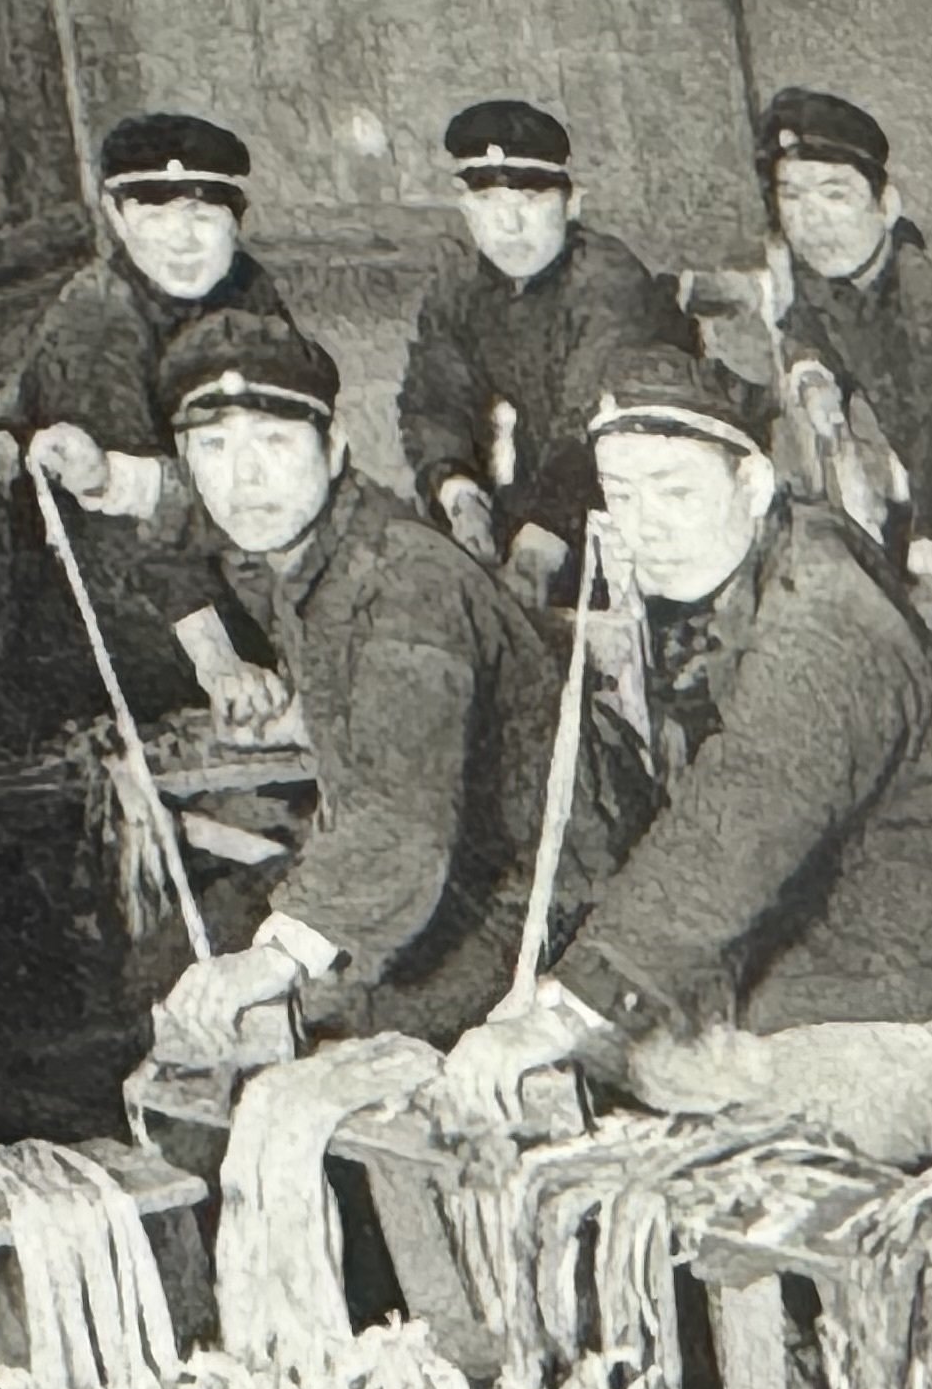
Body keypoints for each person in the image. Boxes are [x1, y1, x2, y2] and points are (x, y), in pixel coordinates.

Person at [435, 349, 932, 1166]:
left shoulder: (820, 623)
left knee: (698, 1175)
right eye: (621, 494)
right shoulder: (786, 546)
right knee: (585, 1076)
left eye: (676, 491)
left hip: (924, 1021)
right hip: (820, 986)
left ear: (751, 482)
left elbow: (734, 826)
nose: (645, 525)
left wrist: (563, 1011)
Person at [141, 315, 629, 1065]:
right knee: (165, 964)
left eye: (275, 442)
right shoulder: (312, 554)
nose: (244, 479)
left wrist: (279, 956)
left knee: (306, 1042)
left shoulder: (404, 585)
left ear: (334, 448)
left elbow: (403, 821)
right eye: (214, 449)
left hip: (528, 907)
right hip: (432, 880)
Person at [744, 88, 932, 720]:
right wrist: (811, 375)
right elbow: (806, 322)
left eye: (834, 195)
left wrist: (930, 571)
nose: (812, 220)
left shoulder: (930, 287)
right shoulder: (838, 276)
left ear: (887, 204)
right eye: (792, 197)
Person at [0, 111, 296, 716]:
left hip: (222, 545)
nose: (182, 239)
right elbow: (121, 529)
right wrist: (219, 662)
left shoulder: (246, 288)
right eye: (155, 215)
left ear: (237, 217)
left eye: (203, 214)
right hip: (120, 603)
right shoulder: (95, 322)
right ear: (115, 215)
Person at [394, 99, 688, 604]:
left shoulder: (608, 284)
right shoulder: (459, 285)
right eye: (489, 202)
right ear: (464, 205)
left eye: (530, 200)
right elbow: (435, 402)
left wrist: (534, 552)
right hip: (523, 504)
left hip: (632, 509)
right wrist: (459, 494)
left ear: (572, 204)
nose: (509, 226)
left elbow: (590, 433)